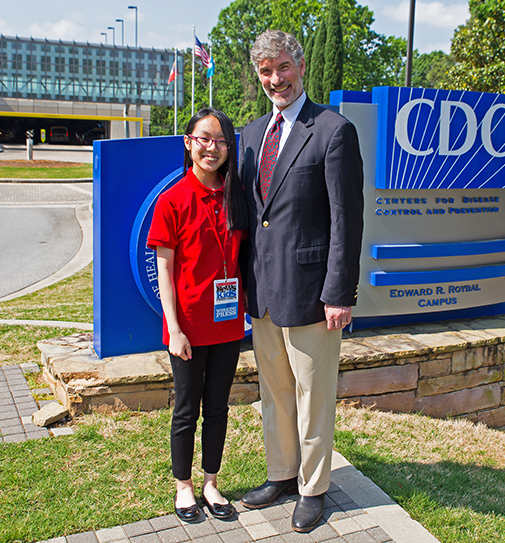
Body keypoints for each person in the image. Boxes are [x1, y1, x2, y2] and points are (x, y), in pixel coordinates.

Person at [238, 30, 364, 533]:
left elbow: (346, 219)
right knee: (275, 393)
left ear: (301, 66)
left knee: (314, 397)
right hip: (264, 292)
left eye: (283, 68)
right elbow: (252, 216)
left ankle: (313, 488)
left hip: (313, 294)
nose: (275, 79)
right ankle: (282, 474)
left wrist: (339, 292)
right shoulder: (250, 134)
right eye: (266, 71)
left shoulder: (333, 130)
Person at [147, 108, 248, 523]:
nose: (213, 147)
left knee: (219, 406)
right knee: (187, 409)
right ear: (188, 143)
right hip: (187, 326)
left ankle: (210, 482)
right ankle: (184, 487)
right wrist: (173, 327)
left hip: (227, 323)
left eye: (221, 140)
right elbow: (165, 269)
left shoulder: (236, 195)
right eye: (204, 138)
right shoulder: (172, 200)